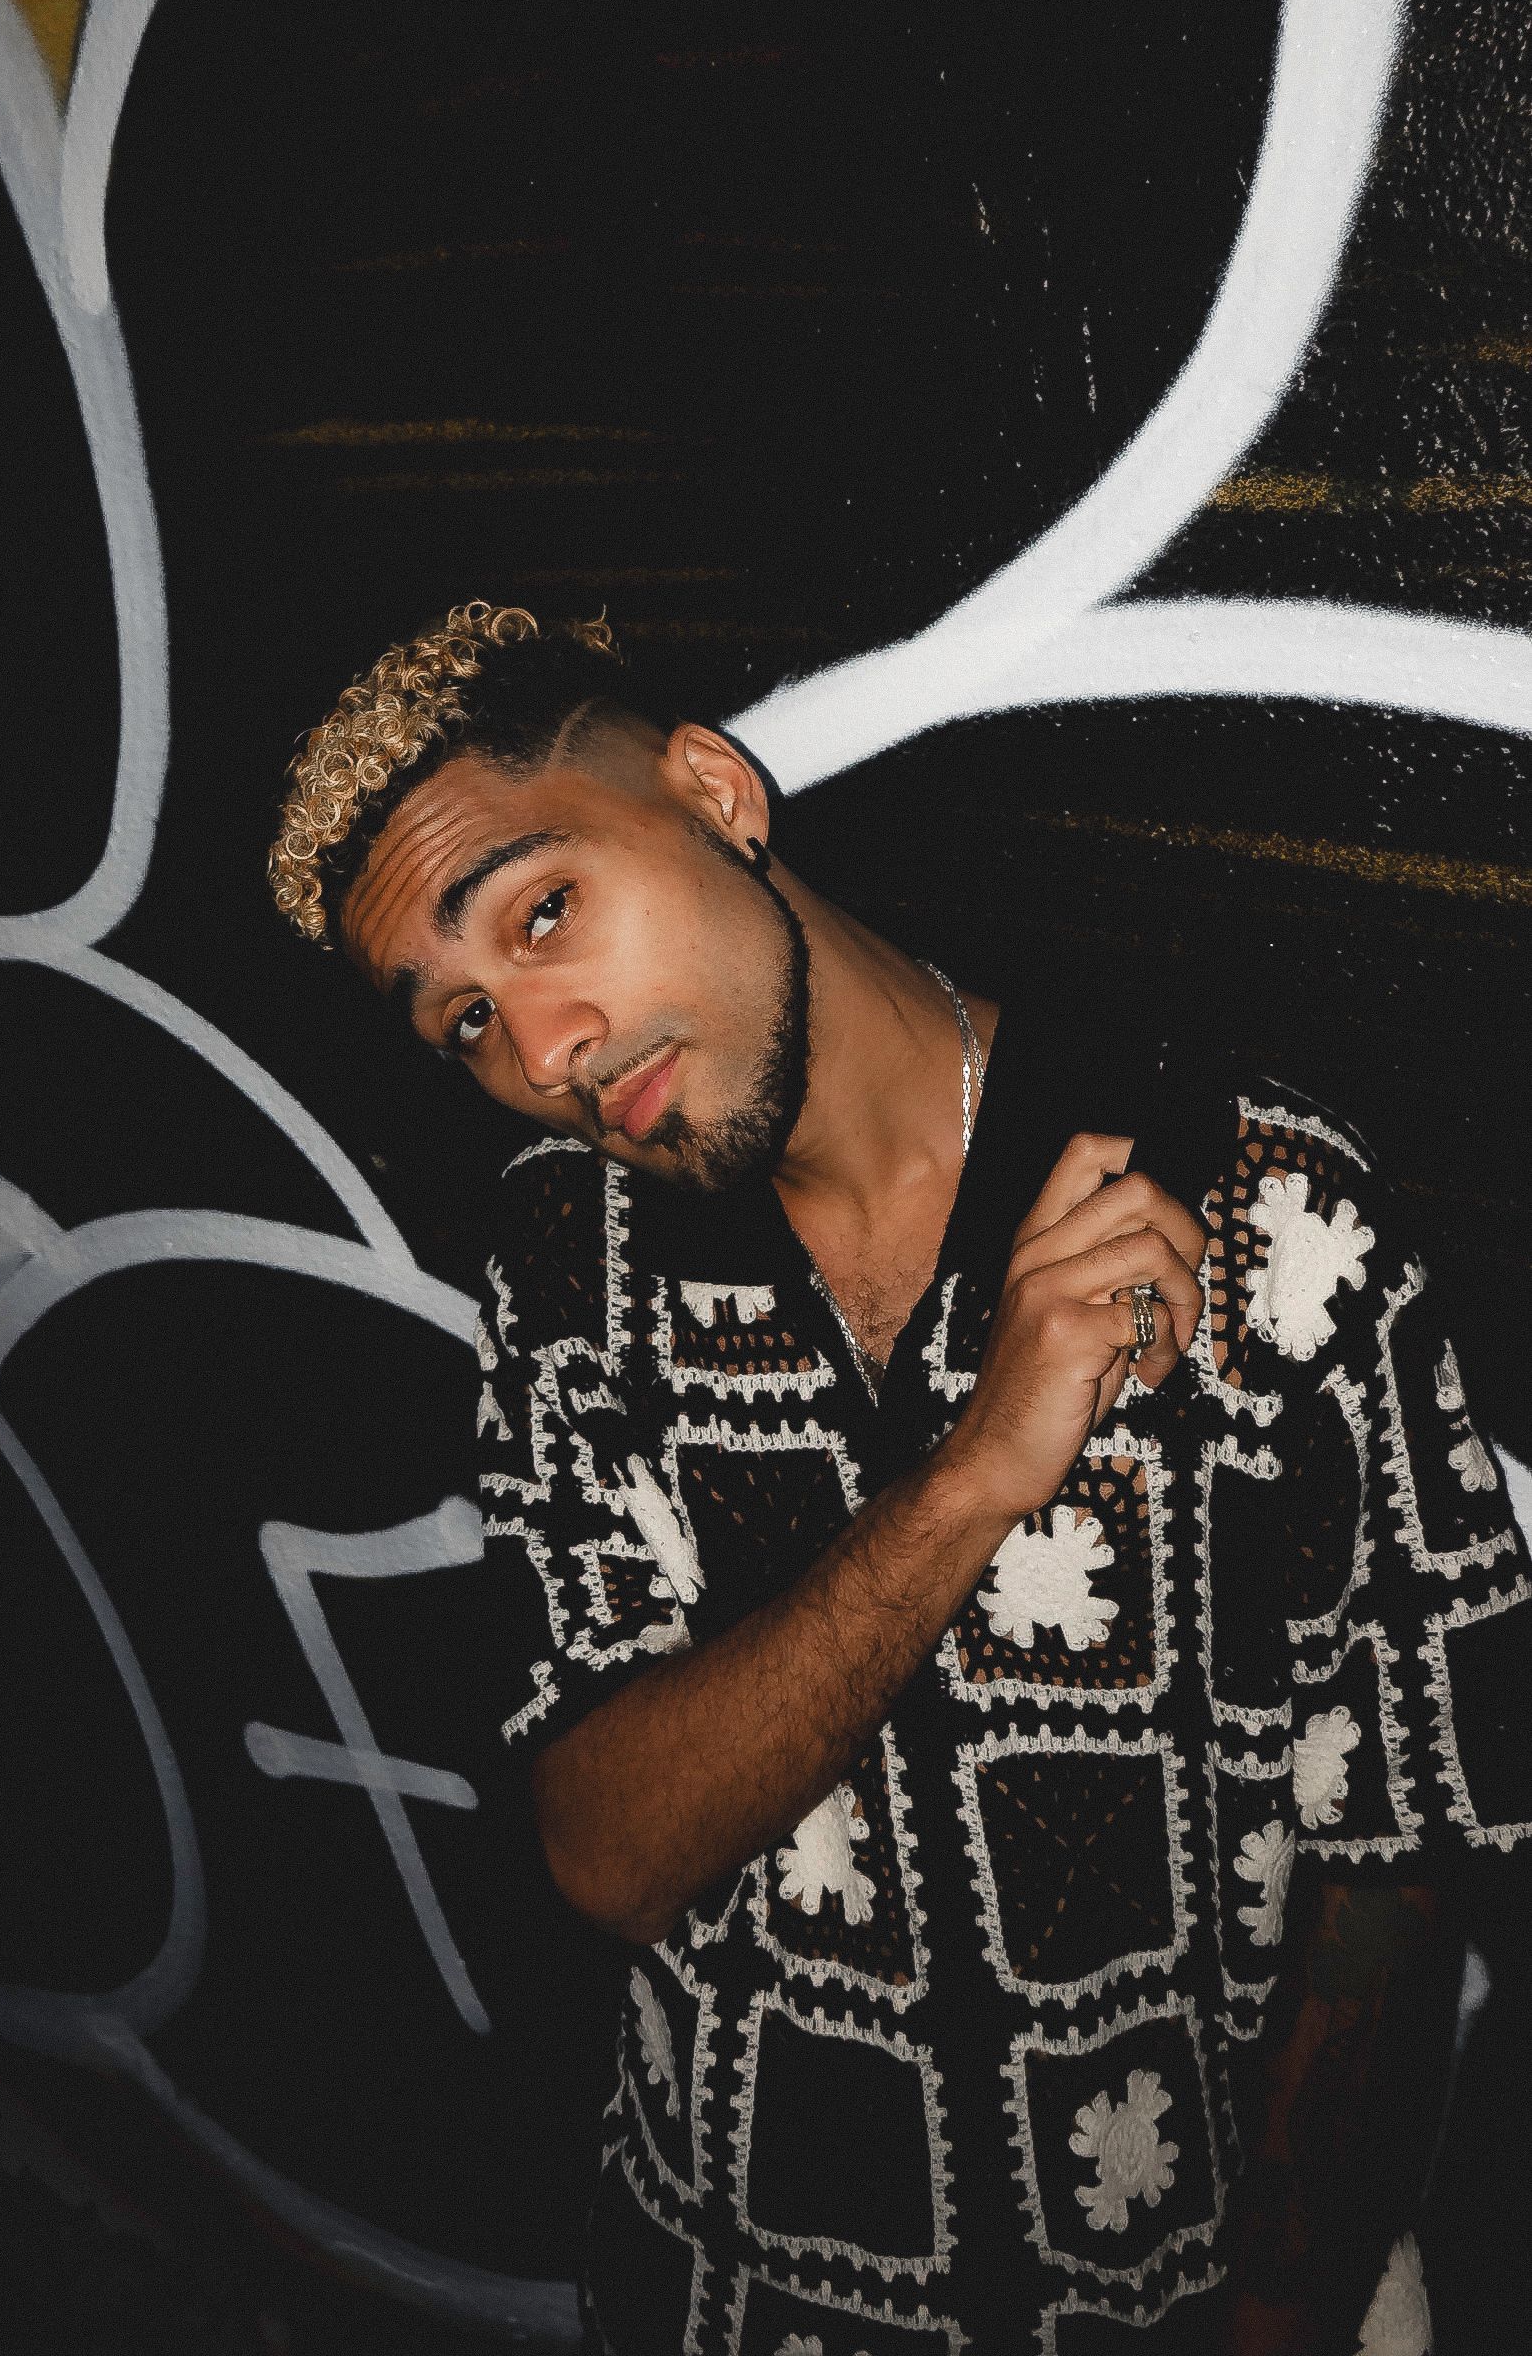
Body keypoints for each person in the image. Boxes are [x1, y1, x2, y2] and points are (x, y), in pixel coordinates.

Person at [268, 600, 1532, 2354]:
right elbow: (610, 1851)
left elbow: (1399, 1841)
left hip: (1168, 2294)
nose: (544, 1048)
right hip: (730, 2289)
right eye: (467, 1022)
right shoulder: (574, 1269)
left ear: (713, 792)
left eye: (547, 912)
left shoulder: (1253, 1204)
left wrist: (1284, 2309)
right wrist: (965, 1483)